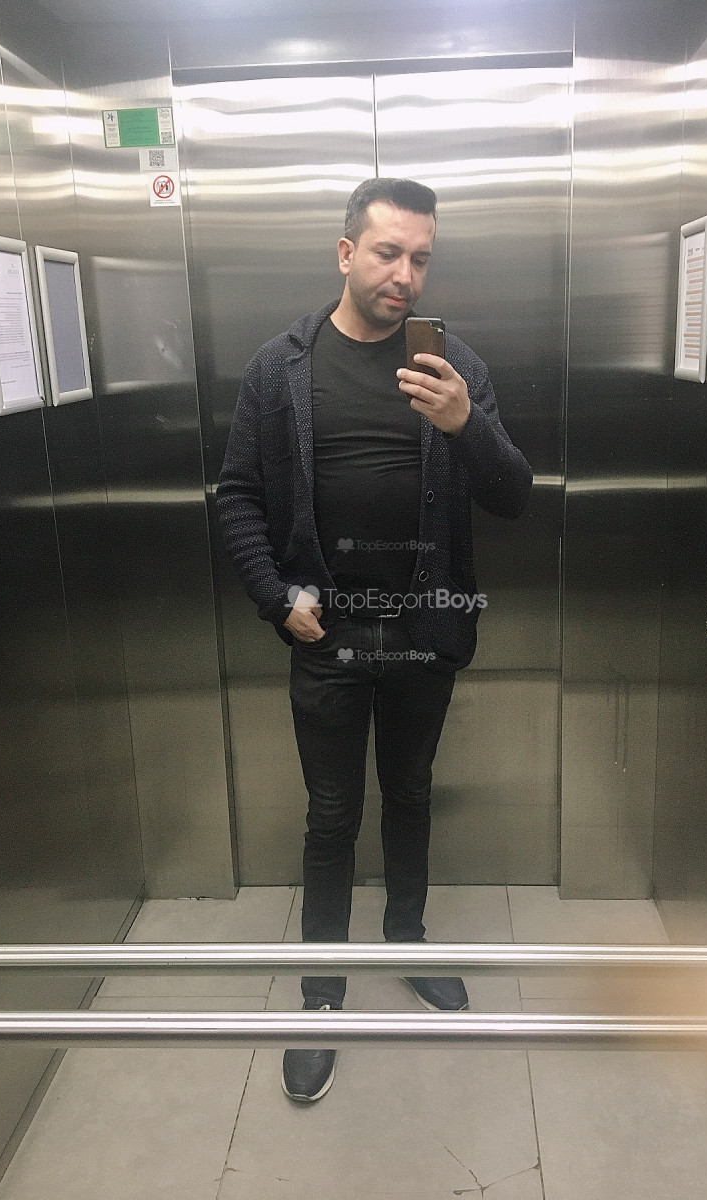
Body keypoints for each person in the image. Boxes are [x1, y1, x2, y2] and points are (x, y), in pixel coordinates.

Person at [217, 178, 532, 1102]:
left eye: (421, 258)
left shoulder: (454, 365)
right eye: (388, 253)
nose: (405, 275)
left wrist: (466, 425)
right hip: (326, 631)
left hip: (424, 629)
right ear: (346, 252)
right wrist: (275, 598)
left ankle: (407, 938)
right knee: (329, 815)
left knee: (411, 792)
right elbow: (238, 496)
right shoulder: (279, 369)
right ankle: (320, 996)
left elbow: (513, 494)